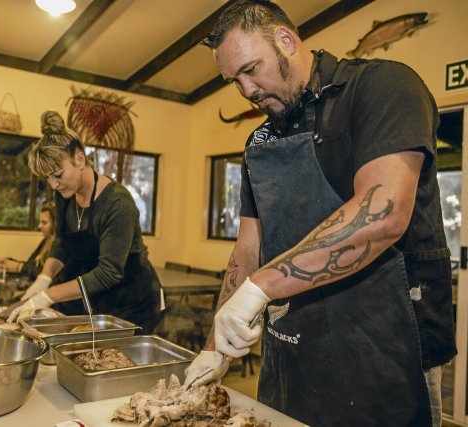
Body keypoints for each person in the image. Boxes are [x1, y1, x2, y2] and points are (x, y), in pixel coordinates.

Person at [183, 1, 456, 426]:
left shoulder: (382, 87)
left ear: (286, 41)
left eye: (252, 69)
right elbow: (248, 247)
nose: (247, 90)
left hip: (387, 351)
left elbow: (381, 216)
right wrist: (215, 344)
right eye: (234, 80)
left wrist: (258, 290)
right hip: (294, 353)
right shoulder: (260, 140)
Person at [5, 110, 162, 333]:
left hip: (132, 304)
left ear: (79, 159)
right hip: (95, 299)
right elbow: (62, 240)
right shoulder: (65, 195)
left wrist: (48, 295)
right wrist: (44, 277)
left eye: (58, 175)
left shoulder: (118, 203)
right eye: (47, 178)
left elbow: (108, 273)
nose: (53, 185)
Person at [1, 203, 56, 281]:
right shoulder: (45, 241)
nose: (39, 226)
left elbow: (45, 275)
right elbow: (30, 264)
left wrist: (18, 266)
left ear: (55, 224)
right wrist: (9, 261)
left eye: (44, 222)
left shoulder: (58, 246)